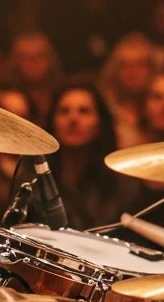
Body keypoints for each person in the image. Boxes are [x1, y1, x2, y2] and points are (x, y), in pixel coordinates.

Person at [43, 82, 138, 231]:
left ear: (100, 124)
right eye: (64, 111)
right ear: (52, 122)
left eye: (84, 111)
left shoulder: (123, 187)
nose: (73, 119)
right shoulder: (34, 185)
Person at [100, 34, 157, 147]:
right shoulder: (105, 111)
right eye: (125, 65)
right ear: (115, 71)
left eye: (140, 64)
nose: (133, 71)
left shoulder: (161, 108)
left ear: (151, 69)